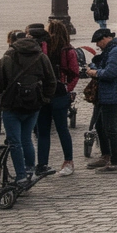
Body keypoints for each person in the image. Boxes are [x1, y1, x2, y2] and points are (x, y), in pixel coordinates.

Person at [0, 24, 57, 188]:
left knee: (15, 142)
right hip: (33, 105)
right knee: (27, 139)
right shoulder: (40, 56)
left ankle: (20, 177)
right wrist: (45, 99)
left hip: (11, 105)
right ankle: (29, 171)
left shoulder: (8, 56)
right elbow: (51, 80)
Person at [36, 21, 79, 177]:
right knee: (61, 129)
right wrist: (68, 88)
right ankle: (67, 161)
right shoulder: (67, 50)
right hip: (59, 94)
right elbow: (75, 73)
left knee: (44, 131)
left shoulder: (45, 47)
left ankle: (42, 164)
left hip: (47, 94)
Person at [86, 29, 117, 172]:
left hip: (115, 96)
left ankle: (116, 161)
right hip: (107, 95)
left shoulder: (116, 52)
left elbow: (111, 73)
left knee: (111, 129)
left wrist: (94, 72)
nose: (98, 45)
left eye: (99, 41)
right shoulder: (111, 51)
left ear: (107, 38)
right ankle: (106, 155)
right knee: (100, 125)